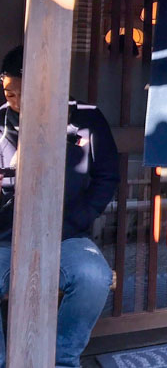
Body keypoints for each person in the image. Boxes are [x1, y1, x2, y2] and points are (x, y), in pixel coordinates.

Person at [0, 46, 119, 368]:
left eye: (24, 93)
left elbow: (107, 177)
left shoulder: (86, 118)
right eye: (10, 93)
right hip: (4, 236)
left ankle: (61, 359)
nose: (16, 101)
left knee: (94, 276)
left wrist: (76, 220)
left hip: (66, 235)